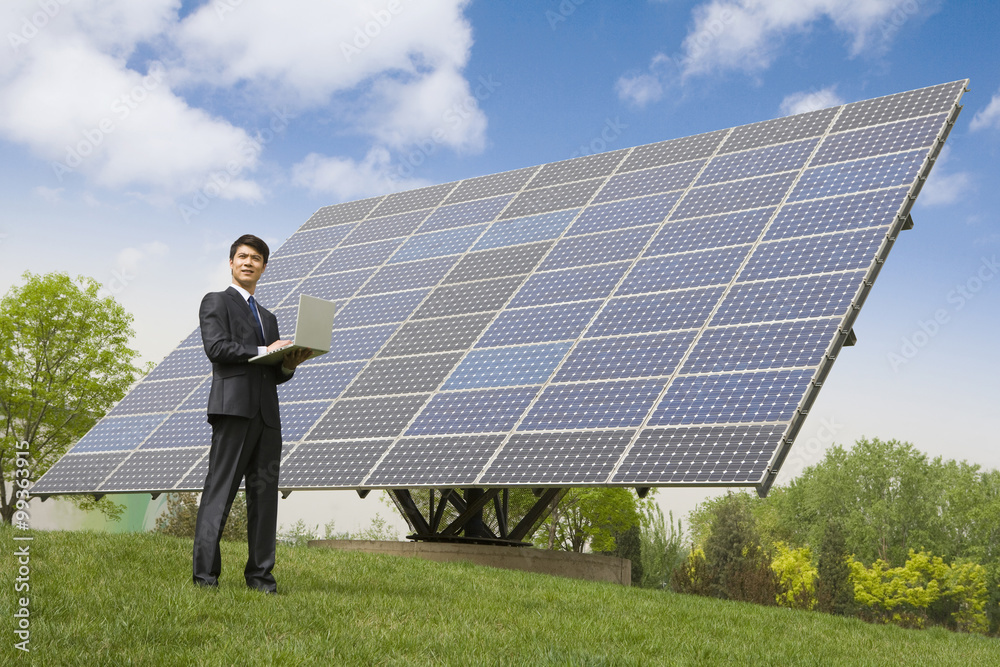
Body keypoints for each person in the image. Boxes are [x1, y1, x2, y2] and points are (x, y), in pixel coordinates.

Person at [193, 234, 311, 593]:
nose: (248, 262)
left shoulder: (269, 317)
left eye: (256, 258)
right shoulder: (216, 301)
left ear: (264, 266)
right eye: (242, 256)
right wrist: (264, 348)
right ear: (231, 263)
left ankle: (260, 578)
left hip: (267, 417)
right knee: (220, 492)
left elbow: (272, 373)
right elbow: (217, 348)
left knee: (264, 498)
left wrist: (289, 364)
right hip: (233, 411)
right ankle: (205, 578)